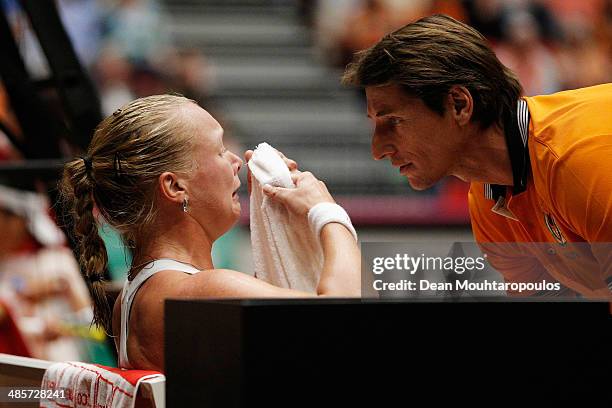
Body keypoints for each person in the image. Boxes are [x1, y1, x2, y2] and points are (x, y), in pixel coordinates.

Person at [58, 94, 360, 371]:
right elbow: (341, 320)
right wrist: (326, 211)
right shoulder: (203, 292)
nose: (237, 161)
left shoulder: (138, 292)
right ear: (175, 186)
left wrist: (275, 224)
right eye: (220, 150)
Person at [341, 14, 612, 298]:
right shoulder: (489, 202)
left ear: (459, 105)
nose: (377, 150)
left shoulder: (579, 160)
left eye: (394, 121)